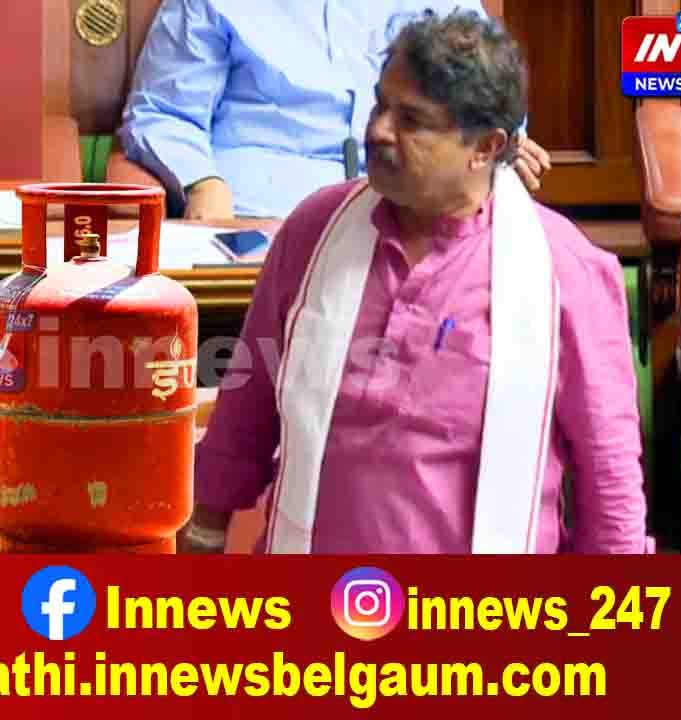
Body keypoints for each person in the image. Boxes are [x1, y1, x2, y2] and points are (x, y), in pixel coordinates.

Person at [181, 10, 649, 554]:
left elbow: (609, 476)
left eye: (412, 120)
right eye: (380, 104)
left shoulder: (564, 271)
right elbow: (248, 408)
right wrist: (205, 533)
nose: (378, 130)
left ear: (486, 147)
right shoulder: (314, 232)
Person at [118, 0, 552, 220]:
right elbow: (164, 112)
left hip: (413, 202)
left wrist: (500, 141)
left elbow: (488, 93)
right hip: (260, 214)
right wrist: (201, 182)